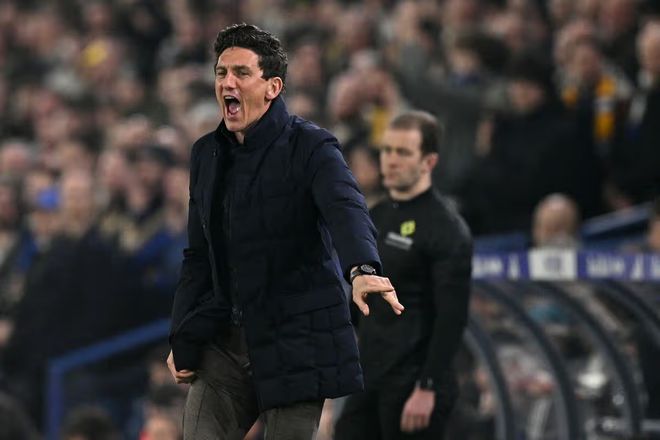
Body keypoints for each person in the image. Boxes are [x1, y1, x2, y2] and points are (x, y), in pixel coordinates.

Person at [166, 23, 404, 440]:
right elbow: (198, 255)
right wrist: (182, 335)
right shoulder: (206, 154)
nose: (227, 83)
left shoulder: (312, 146)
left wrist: (362, 268)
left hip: (296, 339)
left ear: (273, 87)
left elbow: (346, 209)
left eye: (241, 73)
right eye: (221, 73)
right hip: (226, 340)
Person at [335, 111, 473, 439]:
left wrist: (428, 386)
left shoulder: (446, 228)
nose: (391, 160)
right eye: (387, 150)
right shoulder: (376, 215)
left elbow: (452, 317)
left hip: (413, 380)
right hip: (371, 374)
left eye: (403, 152)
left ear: (428, 162)